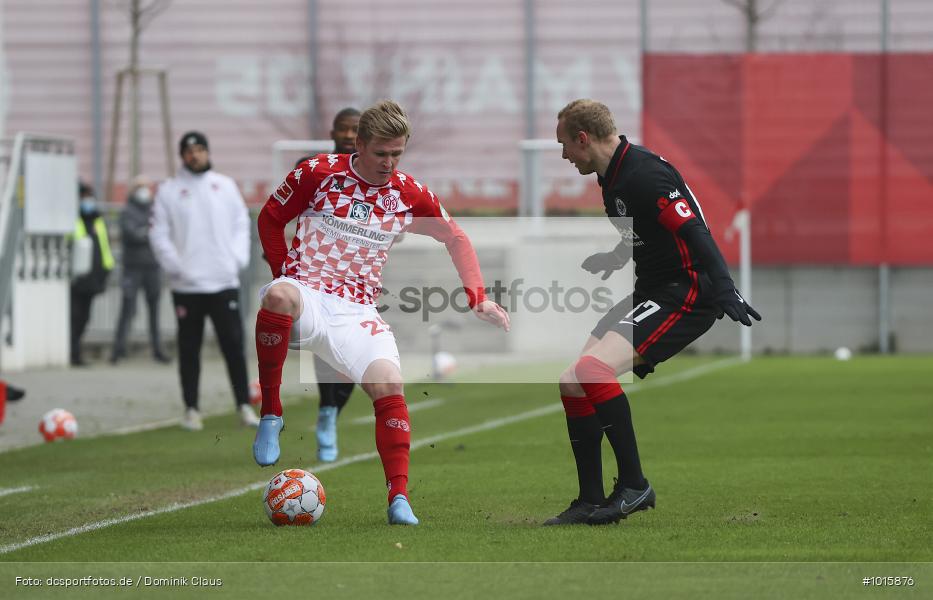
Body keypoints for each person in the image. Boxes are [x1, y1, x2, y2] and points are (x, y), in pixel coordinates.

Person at [252, 100, 510, 525]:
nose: (389, 164)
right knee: (278, 297)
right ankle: (272, 413)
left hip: (357, 310)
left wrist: (477, 296)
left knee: (389, 383)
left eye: (397, 155)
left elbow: (456, 237)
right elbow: (270, 218)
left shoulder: (408, 193)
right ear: (360, 144)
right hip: (308, 296)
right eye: (381, 154)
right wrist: (285, 273)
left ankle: (400, 500)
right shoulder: (318, 173)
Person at [546, 99, 761, 526]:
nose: (564, 155)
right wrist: (612, 258)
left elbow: (693, 229)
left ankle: (634, 486)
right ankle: (590, 500)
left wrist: (725, 288)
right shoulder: (613, 176)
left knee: (593, 371)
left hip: (687, 291)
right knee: (572, 381)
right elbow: (643, 233)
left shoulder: (645, 174)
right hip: (654, 290)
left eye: (565, 145)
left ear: (583, 139)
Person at [149, 131, 260, 431]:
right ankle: (191, 408)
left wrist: (237, 259)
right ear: (182, 156)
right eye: (189, 151)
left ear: (208, 152)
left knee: (233, 345)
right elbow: (159, 233)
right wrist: (176, 267)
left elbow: (241, 223)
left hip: (223, 281)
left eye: (200, 149)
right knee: (189, 348)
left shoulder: (224, 186)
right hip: (187, 286)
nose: (195, 155)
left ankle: (243, 405)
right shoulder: (169, 190)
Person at [293, 106, 361, 463]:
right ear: (332, 131)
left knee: (352, 353)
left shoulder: (375, 173)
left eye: (355, 130)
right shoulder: (313, 167)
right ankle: (324, 408)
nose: (348, 136)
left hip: (356, 276)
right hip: (314, 273)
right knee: (322, 343)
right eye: (343, 129)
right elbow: (283, 211)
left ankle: (330, 412)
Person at [110, 175, 170, 364]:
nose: (144, 190)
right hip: (132, 268)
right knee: (127, 308)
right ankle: (117, 350)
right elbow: (132, 234)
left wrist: (148, 232)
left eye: (146, 186)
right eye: (140, 187)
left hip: (152, 267)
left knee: (154, 310)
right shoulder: (127, 211)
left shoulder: (155, 210)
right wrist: (150, 233)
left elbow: (161, 233)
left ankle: (157, 350)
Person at [70, 182, 114, 366]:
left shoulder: (98, 220)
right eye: (85, 197)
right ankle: (73, 354)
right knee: (74, 317)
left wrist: (107, 269)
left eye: (90, 197)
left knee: (84, 318)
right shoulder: (72, 219)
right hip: (76, 279)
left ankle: (76, 353)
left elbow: (104, 247)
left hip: (93, 278)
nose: (88, 201)